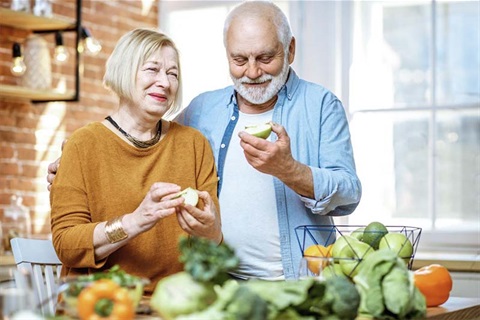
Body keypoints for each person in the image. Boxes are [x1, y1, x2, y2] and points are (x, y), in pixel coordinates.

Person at [48, 1, 361, 280]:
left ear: (289, 50)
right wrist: (72, 165)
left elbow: (349, 195)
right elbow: (136, 130)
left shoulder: (320, 105)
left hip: (298, 278)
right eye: (240, 59)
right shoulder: (202, 111)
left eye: (265, 57)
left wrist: (288, 169)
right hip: (222, 281)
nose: (252, 72)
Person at [49, 28, 222, 294]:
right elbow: (67, 245)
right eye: (152, 69)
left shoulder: (194, 144)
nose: (164, 82)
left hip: (176, 307)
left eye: (172, 73)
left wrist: (211, 230)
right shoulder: (82, 145)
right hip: (102, 304)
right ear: (123, 71)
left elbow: (210, 247)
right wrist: (135, 221)